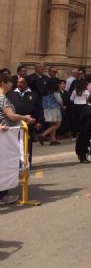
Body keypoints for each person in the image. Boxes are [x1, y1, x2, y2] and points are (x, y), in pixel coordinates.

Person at [0, 73, 35, 204]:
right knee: (5, 164)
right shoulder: (2, 98)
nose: (12, 84)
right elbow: (11, 116)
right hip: (6, 135)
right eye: (9, 82)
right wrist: (25, 118)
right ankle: (2, 195)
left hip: (5, 133)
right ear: (3, 83)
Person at [7, 76, 43, 163]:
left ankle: (27, 163)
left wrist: (39, 121)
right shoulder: (10, 94)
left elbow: (39, 109)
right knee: (15, 144)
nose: (19, 84)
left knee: (27, 143)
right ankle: (15, 163)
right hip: (14, 123)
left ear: (27, 83)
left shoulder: (34, 94)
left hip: (28, 123)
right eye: (18, 82)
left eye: (22, 82)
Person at [39, 78, 66, 145]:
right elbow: (60, 101)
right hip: (55, 109)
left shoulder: (45, 92)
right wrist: (63, 106)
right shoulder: (55, 92)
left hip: (46, 110)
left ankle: (52, 140)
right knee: (57, 125)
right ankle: (42, 135)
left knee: (52, 125)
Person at [72, 80, 91, 163]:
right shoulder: (86, 91)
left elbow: (71, 99)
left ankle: (80, 154)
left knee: (80, 135)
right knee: (85, 134)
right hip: (85, 111)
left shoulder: (74, 91)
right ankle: (83, 155)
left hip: (77, 112)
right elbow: (88, 100)